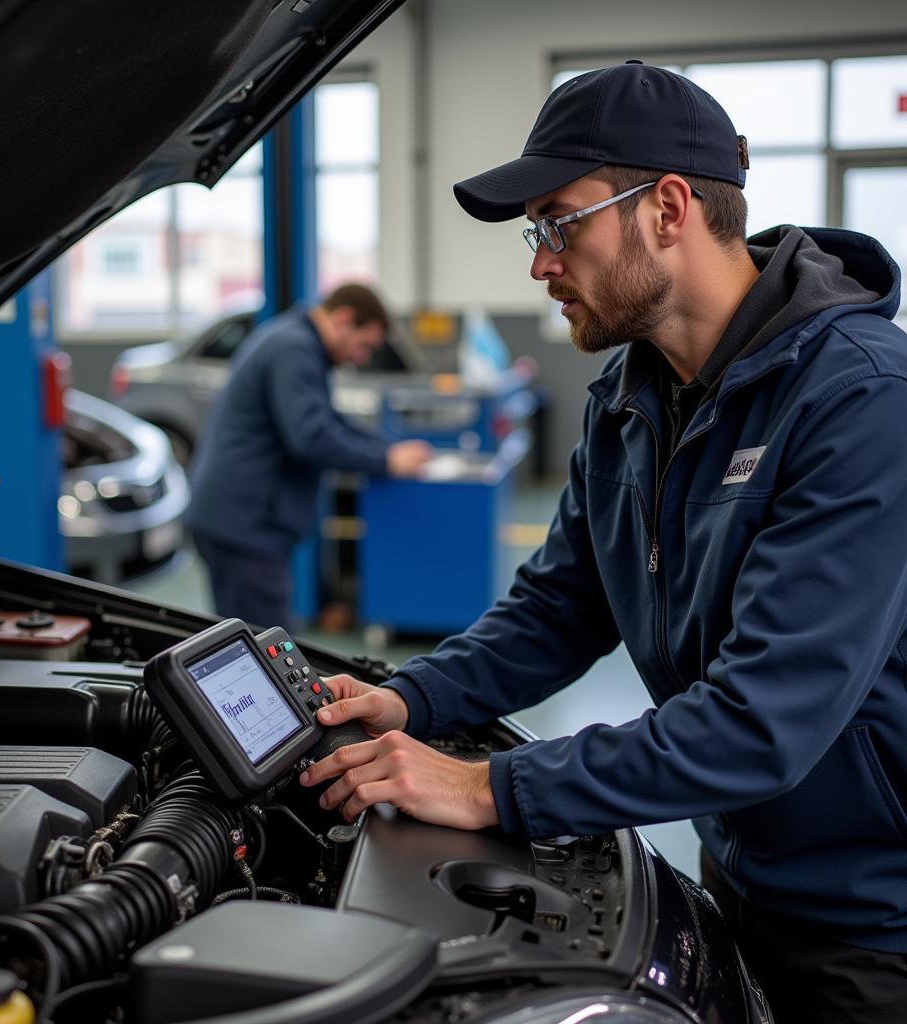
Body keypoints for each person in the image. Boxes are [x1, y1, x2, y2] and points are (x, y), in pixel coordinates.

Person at [299, 62, 907, 1021]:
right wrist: (410, 698)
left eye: (558, 222)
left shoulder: (862, 402)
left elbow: (763, 721)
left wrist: (491, 787)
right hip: (739, 868)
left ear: (667, 208)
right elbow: (558, 606)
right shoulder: (632, 398)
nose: (539, 263)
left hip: (873, 925)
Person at [186, 283, 431, 629]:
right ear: (344, 320)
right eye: (364, 346)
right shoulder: (295, 349)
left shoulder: (296, 342)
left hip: (240, 520)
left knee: (249, 644)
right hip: (244, 526)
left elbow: (326, 418)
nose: (360, 358)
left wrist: (385, 448)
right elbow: (311, 436)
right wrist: (386, 462)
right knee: (264, 650)